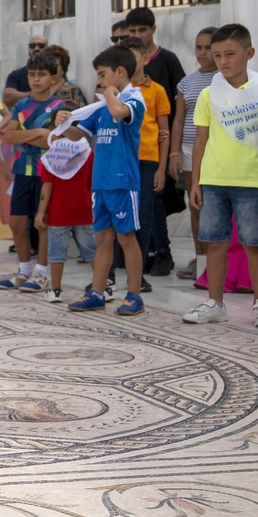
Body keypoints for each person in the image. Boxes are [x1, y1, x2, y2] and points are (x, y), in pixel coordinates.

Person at [181, 23, 258, 325]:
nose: (223, 61)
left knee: (255, 244)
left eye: (230, 54)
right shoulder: (208, 94)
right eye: (217, 55)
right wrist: (197, 181)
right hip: (213, 182)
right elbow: (200, 139)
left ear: (249, 53)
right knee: (215, 243)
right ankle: (215, 303)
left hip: (251, 181)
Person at [60, 45, 147, 316]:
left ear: (120, 72)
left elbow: (120, 112)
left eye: (102, 75)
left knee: (127, 238)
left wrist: (109, 94)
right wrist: (63, 122)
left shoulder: (134, 101)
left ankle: (134, 295)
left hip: (123, 182)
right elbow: (81, 135)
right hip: (101, 183)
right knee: (103, 239)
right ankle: (97, 291)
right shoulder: (100, 108)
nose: (99, 82)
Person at [0, 49, 65, 292]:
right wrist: (38, 133)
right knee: (16, 222)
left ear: (53, 79)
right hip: (22, 170)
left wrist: (27, 137)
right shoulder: (22, 104)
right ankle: (24, 271)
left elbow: (54, 141)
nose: (36, 80)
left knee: (42, 222)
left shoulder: (59, 106)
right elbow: (8, 135)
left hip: (47, 172)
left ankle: (42, 273)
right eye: (32, 74)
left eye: (42, 75)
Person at [125, 7, 187, 277]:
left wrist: (173, 149)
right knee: (136, 203)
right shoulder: (123, 66)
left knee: (155, 201)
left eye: (143, 30)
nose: (138, 34)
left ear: (153, 30)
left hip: (157, 146)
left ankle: (163, 250)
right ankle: (143, 253)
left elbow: (179, 104)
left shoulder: (168, 61)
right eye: (133, 31)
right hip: (128, 148)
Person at [109, 36, 170, 294]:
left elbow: (164, 132)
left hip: (147, 161)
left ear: (145, 59)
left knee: (142, 217)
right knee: (112, 215)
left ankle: (138, 274)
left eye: (134, 57)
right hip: (120, 160)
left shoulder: (156, 91)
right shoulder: (114, 91)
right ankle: (108, 274)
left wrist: (161, 167)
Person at [169, 27, 218, 279]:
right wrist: (174, 153)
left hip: (218, 151)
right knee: (196, 205)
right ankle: (201, 262)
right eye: (198, 47)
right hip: (189, 150)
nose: (202, 53)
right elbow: (179, 120)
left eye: (208, 47)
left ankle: (220, 261)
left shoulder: (226, 78)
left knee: (216, 205)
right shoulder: (186, 83)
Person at [34, 109, 97, 304]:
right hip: (84, 210)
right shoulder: (88, 152)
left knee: (56, 254)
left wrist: (41, 212)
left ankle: (55, 290)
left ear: (53, 128)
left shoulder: (52, 154)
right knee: (92, 252)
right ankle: (102, 286)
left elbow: (48, 185)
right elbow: (92, 183)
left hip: (59, 213)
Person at [2, 34, 49, 106]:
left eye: (41, 45)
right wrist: (35, 94)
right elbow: (7, 97)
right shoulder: (16, 75)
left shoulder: (54, 72)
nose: (36, 48)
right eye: (32, 46)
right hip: (24, 114)